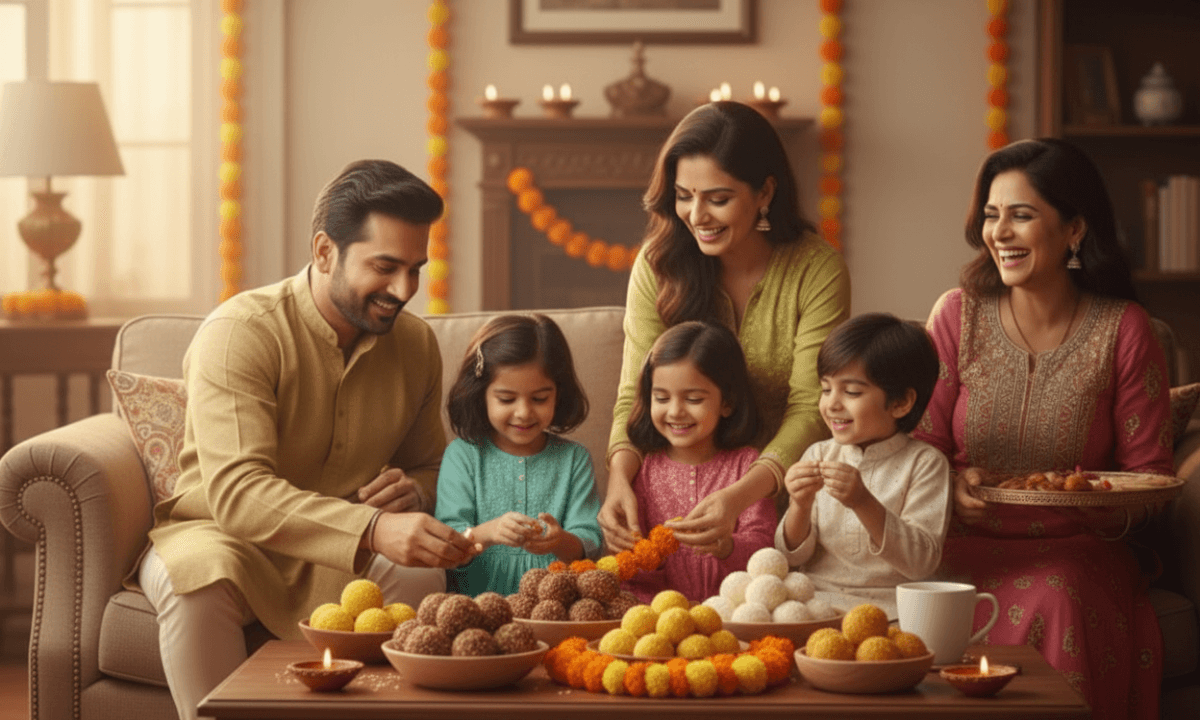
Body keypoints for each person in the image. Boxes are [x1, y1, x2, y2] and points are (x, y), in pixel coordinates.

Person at [136, 160, 480, 720]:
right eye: (386, 267)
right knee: (196, 580)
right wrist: (373, 527)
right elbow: (238, 494)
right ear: (324, 252)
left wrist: (413, 494)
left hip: (346, 548)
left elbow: (430, 464)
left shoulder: (416, 344)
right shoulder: (240, 332)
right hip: (222, 535)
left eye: (416, 269)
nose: (404, 290)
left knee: (420, 568)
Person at [912, 138, 1173, 720]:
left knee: (1055, 592)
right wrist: (951, 485)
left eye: (1021, 215)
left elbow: (1151, 477)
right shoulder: (957, 316)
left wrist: (1082, 499)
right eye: (991, 215)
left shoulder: (1125, 330)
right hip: (958, 542)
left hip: (1076, 548)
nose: (999, 232)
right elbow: (922, 444)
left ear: (1074, 228)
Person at [601, 101, 851, 557]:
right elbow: (633, 396)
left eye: (718, 199)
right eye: (683, 195)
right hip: (674, 514)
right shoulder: (658, 266)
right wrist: (619, 481)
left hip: (787, 508)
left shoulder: (817, 270)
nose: (696, 215)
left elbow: (811, 409)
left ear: (765, 193)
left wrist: (737, 497)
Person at [776, 313, 948, 616]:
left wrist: (863, 501)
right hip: (814, 605)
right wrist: (799, 505)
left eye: (852, 392)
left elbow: (921, 563)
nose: (832, 404)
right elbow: (789, 558)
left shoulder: (924, 464)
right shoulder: (818, 454)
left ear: (900, 403)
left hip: (892, 611)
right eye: (826, 388)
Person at [435, 314, 603, 596]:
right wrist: (489, 532)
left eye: (539, 399)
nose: (524, 412)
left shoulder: (574, 459)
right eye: (506, 399)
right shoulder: (462, 456)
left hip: (555, 606)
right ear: (480, 395)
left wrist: (559, 540)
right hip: (474, 607)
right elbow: (447, 541)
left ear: (558, 394)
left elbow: (590, 543)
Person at [620, 321, 776, 602]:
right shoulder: (646, 470)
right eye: (661, 398)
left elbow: (764, 547)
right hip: (660, 617)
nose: (675, 411)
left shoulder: (747, 467)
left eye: (693, 398)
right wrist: (640, 554)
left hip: (733, 612)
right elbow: (635, 571)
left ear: (726, 402)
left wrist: (728, 547)